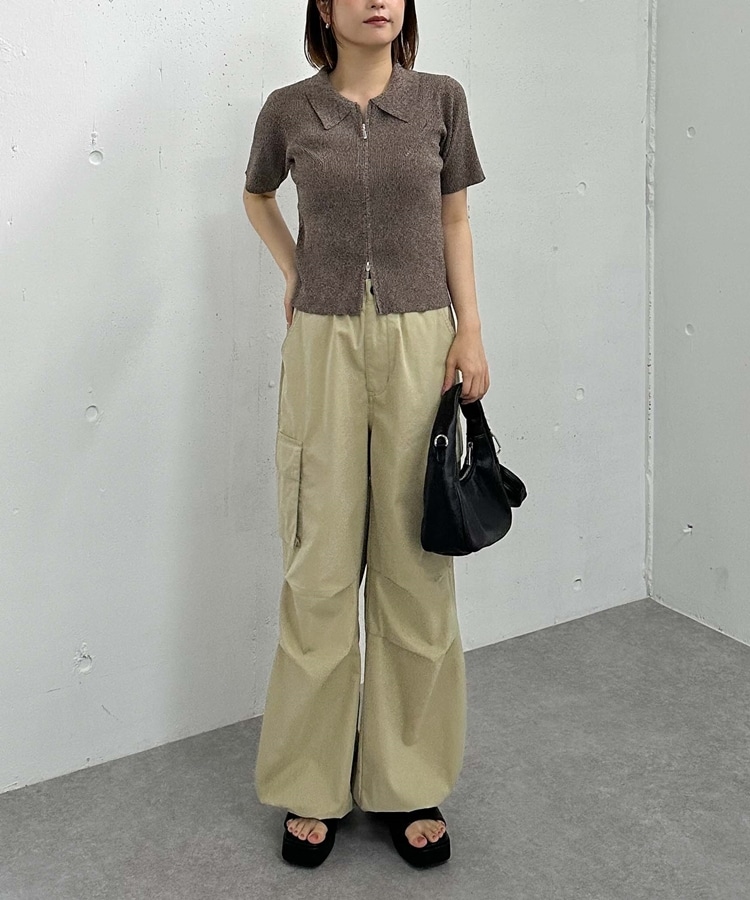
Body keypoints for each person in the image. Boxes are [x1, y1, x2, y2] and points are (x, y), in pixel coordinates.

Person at [242, 0, 489, 869]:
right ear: (323, 6)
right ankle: (311, 783)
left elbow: (454, 218)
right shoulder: (289, 109)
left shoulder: (441, 99)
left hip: (423, 339)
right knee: (318, 566)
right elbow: (256, 195)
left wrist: (470, 329)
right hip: (323, 340)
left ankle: (407, 779)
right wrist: (295, 268)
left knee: (414, 569)